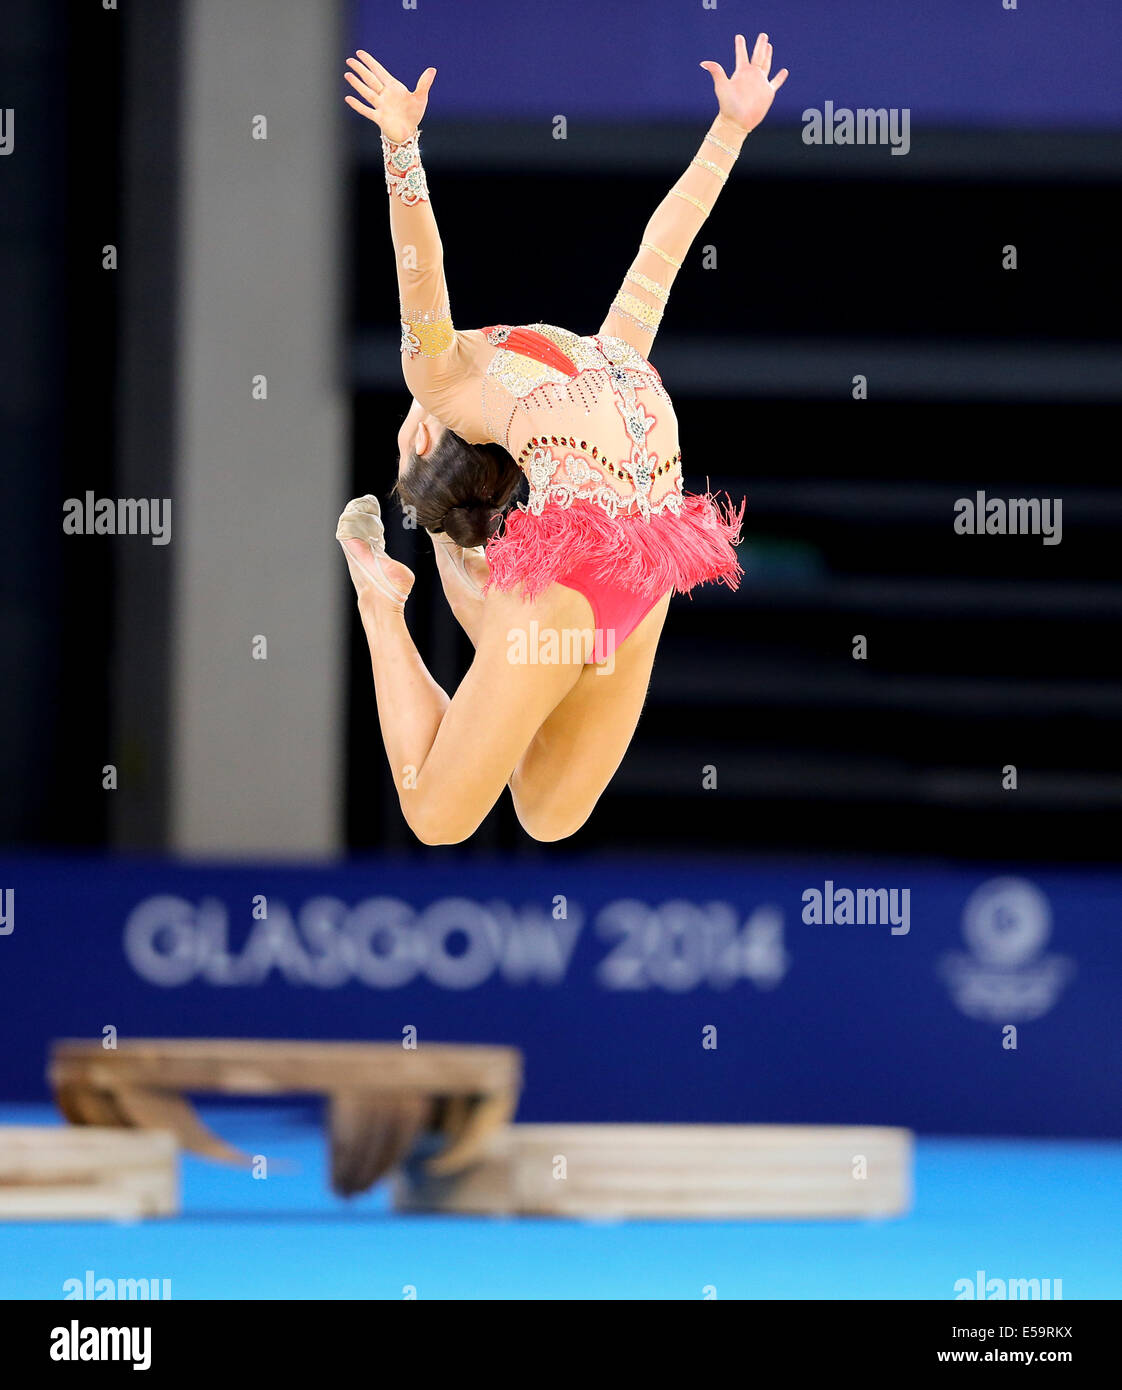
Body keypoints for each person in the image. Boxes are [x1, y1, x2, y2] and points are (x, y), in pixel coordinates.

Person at [338, 33, 788, 844]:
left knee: (547, 812)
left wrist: (731, 130)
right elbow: (422, 267)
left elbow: (664, 247)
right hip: (607, 575)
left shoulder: (592, 354)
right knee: (439, 819)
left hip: (632, 572)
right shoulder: (443, 372)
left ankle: (456, 572)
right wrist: (400, 146)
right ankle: (382, 601)